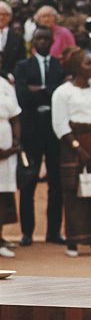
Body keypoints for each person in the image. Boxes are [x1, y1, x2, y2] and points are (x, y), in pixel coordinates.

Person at [51, 49, 91, 258]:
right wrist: (78, 148)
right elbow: (59, 124)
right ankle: (74, 241)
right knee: (74, 194)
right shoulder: (62, 92)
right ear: (77, 67)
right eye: (89, 64)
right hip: (73, 146)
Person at [14, 26, 65, 245]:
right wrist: (47, 91)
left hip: (54, 132)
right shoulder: (22, 66)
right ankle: (27, 232)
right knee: (29, 182)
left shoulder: (58, 66)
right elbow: (23, 95)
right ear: (33, 42)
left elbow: (60, 93)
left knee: (57, 183)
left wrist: (41, 90)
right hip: (31, 131)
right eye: (39, 38)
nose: (43, 42)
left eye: (46, 38)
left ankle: (53, 231)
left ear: (52, 41)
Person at [0, 63, 19, 257]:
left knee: (3, 192)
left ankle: (1, 236)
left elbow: (15, 115)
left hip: (6, 144)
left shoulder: (5, 84)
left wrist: (15, 141)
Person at [0, 1, 26, 80]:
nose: (1, 17)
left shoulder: (18, 38)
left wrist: (12, 76)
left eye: (5, 15)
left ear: (10, 17)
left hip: (11, 80)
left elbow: (21, 60)